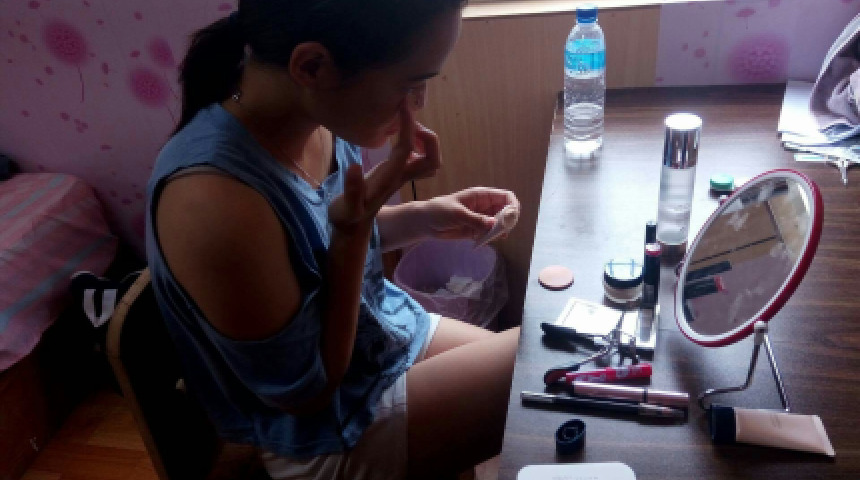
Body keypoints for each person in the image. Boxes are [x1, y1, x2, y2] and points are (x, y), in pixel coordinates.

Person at [145, 1, 521, 479]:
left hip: (376, 338)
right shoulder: (213, 202)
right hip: (317, 430)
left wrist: (424, 218)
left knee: (543, 373)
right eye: (411, 83)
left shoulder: (313, 113)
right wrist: (354, 232)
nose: (419, 103)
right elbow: (306, 392)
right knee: (551, 369)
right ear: (312, 66)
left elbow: (318, 245)